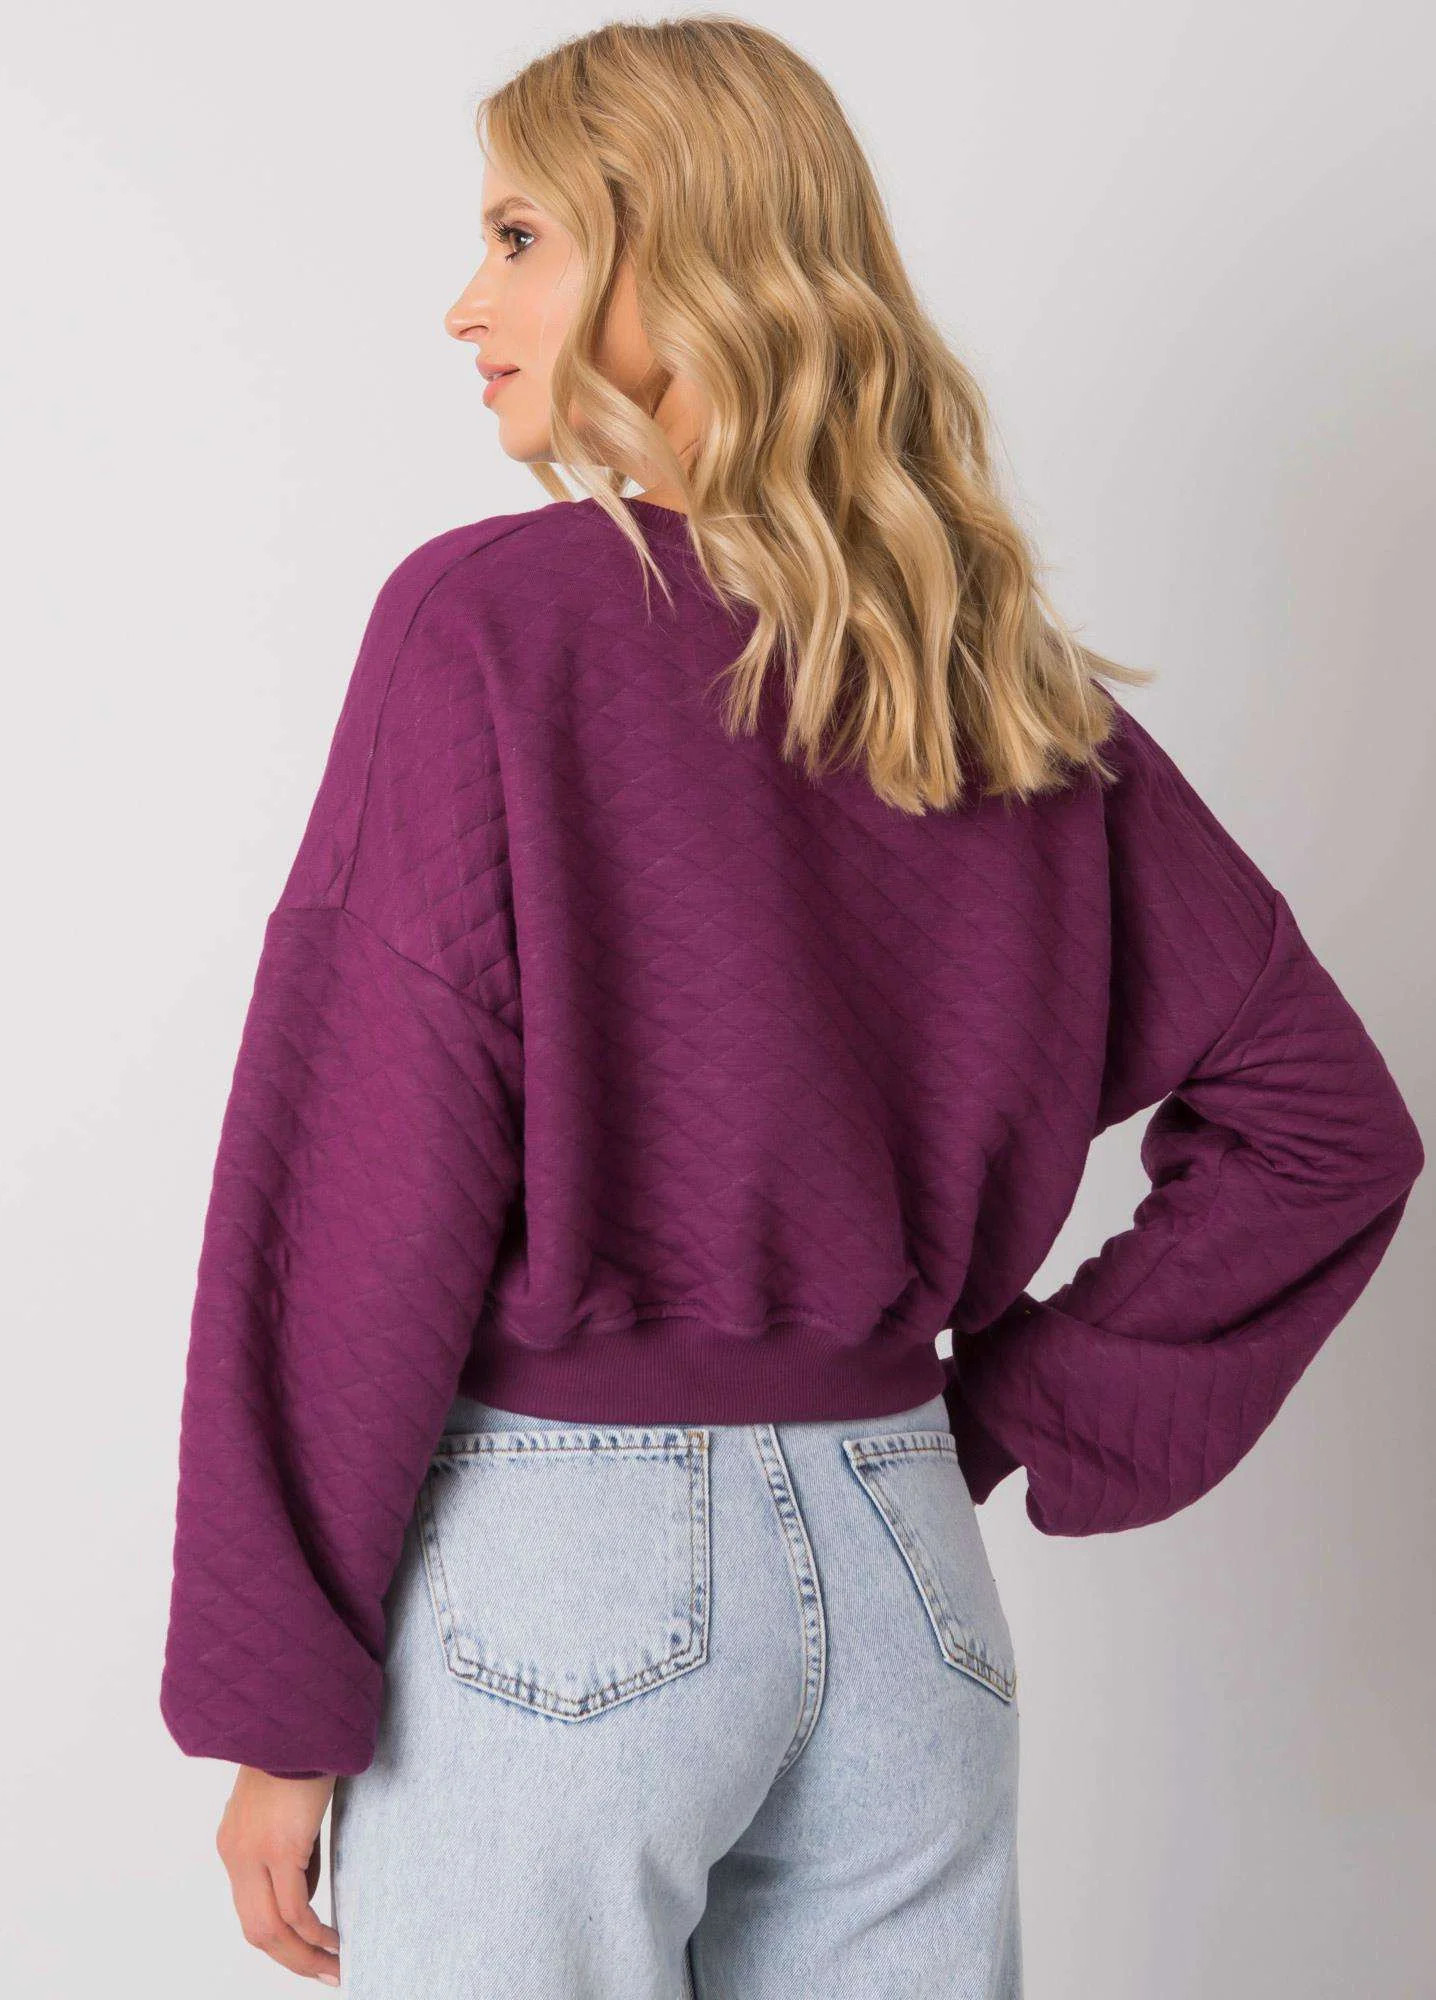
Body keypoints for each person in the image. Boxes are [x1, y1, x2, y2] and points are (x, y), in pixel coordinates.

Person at [159, 18, 1424, 1998]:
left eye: (519, 237)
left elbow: (355, 1186)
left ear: (675, 255)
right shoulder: (991, 680)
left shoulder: (485, 628)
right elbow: (1327, 1124)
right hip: (908, 1572)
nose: (464, 304)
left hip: (564, 1596)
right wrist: (995, 1415)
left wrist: (278, 1689)